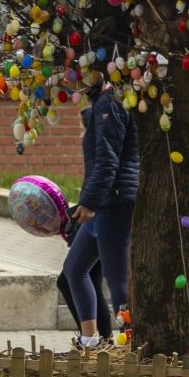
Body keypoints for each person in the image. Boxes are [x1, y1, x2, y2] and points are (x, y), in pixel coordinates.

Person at [61, 71, 138, 350]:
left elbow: (108, 161)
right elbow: (97, 163)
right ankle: (90, 341)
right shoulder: (101, 103)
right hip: (102, 203)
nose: (67, 78)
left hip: (114, 203)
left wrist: (90, 203)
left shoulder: (111, 103)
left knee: (118, 283)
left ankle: (132, 345)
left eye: (74, 70)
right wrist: (87, 201)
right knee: (74, 268)